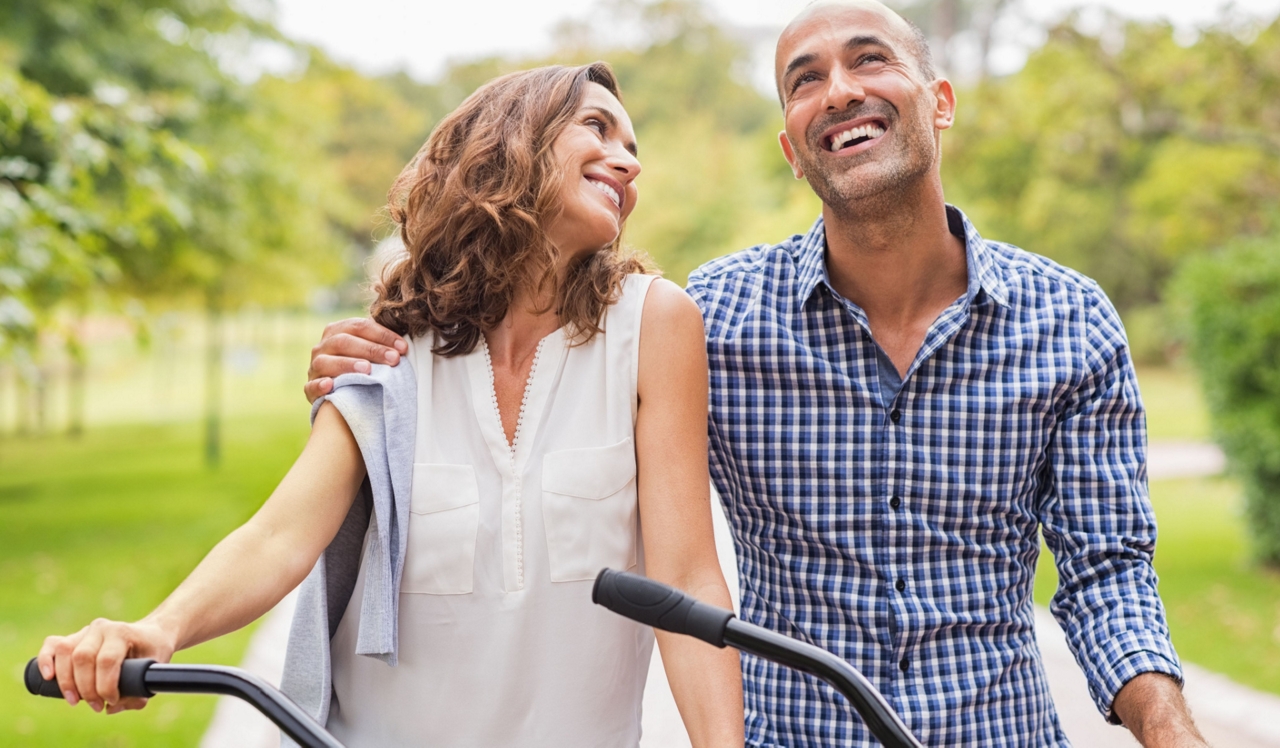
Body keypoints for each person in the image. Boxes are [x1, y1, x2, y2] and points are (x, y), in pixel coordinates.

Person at [309, 3, 1215, 747]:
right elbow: (549, 403)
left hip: (1000, 733)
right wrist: (381, 365)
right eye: (804, 79)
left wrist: (1170, 731)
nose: (840, 90)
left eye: (869, 60)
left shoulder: (1070, 318)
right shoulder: (715, 318)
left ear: (938, 101)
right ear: (792, 146)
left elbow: (1107, 572)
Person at [37, 62, 744, 748]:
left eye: (633, 147)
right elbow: (282, 536)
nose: (628, 162)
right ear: (511, 142)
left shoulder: (654, 324)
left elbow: (685, 577)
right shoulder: (390, 348)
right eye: (597, 128)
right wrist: (159, 629)